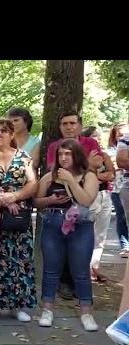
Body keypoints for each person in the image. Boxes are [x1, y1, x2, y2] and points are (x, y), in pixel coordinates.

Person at [33, 139, 99, 331]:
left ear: (77, 155)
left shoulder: (89, 176)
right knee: (51, 270)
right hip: (53, 223)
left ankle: (86, 312)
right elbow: (36, 202)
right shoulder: (50, 176)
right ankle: (47, 310)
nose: (63, 158)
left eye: (67, 154)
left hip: (81, 226)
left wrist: (70, 180)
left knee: (80, 271)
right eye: (60, 154)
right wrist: (50, 199)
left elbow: (86, 200)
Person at [0, 119, 38, 322]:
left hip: (18, 216)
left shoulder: (23, 157)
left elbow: (33, 183)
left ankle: (19, 305)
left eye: (3, 131)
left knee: (21, 259)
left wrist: (15, 197)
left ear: (11, 134)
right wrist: (2, 200)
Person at [81, 126, 115, 282]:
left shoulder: (104, 156)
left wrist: (95, 175)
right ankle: (84, 268)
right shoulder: (83, 156)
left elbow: (111, 174)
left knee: (100, 235)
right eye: (94, 136)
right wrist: (95, 174)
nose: (98, 139)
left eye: (99, 136)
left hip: (104, 195)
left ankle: (95, 267)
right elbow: (82, 176)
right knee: (88, 232)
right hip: (91, 195)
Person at [107, 123, 129, 258]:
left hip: (122, 184)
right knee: (121, 218)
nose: (121, 136)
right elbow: (120, 162)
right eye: (119, 134)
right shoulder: (113, 149)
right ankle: (125, 245)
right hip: (118, 187)